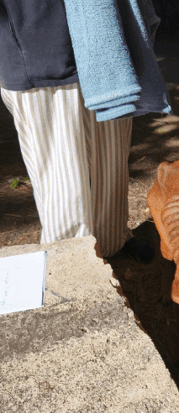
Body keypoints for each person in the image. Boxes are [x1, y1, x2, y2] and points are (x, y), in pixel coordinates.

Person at [0, 0, 164, 261]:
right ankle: (71, 265)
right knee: (62, 181)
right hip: (38, 49)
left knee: (110, 162)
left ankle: (112, 243)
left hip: (105, 45)